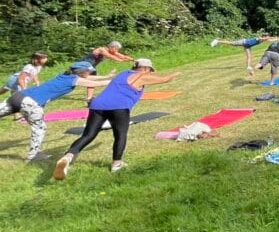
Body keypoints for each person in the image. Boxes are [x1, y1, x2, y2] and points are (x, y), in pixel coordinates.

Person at [53, 59, 181, 180]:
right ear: (145, 68)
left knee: (88, 135)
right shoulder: (142, 75)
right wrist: (175, 74)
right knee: (120, 135)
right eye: (150, 70)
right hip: (119, 108)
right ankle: (117, 164)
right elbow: (164, 79)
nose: (151, 72)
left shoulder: (123, 73)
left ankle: (68, 157)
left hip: (97, 105)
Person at [0, 62, 111, 163]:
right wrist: (114, 80)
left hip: (19, 96)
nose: (90, 72)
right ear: (81, 71)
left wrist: (106, 76)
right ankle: (33, 155)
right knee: (39, 128)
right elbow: (94, 83)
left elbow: (89, 78)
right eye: (88, 70)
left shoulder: (65, 75)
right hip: (31, 103)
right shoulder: (74, 79)